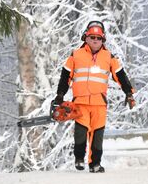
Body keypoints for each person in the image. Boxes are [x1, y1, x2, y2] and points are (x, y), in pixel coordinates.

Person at [52, 20, 135, 173]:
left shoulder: (109, 57)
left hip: (99, 103)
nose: (95, 41)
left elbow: (120, 76)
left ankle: (95, 163)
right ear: (86, 38)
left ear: (103, 40)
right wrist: (60, 95)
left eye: (98, 38)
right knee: (81, 131)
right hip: (81, 102)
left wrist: (129, 92)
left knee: (97, 133)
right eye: (92, 37)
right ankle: (79, 158)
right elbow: (65, 76)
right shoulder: (76, 55)